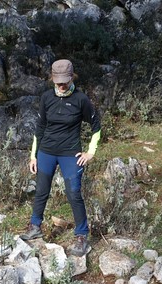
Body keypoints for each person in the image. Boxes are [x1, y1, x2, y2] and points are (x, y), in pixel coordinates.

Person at [20, 59, 101, 257]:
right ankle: (35, 227)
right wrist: (33, 156)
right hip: (46, 151)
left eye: (65, 81)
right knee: (41, 190)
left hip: (70, 153)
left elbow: (96, 126)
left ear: (72, 77)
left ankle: (81, 236)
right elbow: (39, 129)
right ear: (53, 79)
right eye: (58, 82)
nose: (62, 85)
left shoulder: (81, 100)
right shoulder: (47, 97)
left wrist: (90, 152)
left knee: (73, 193)